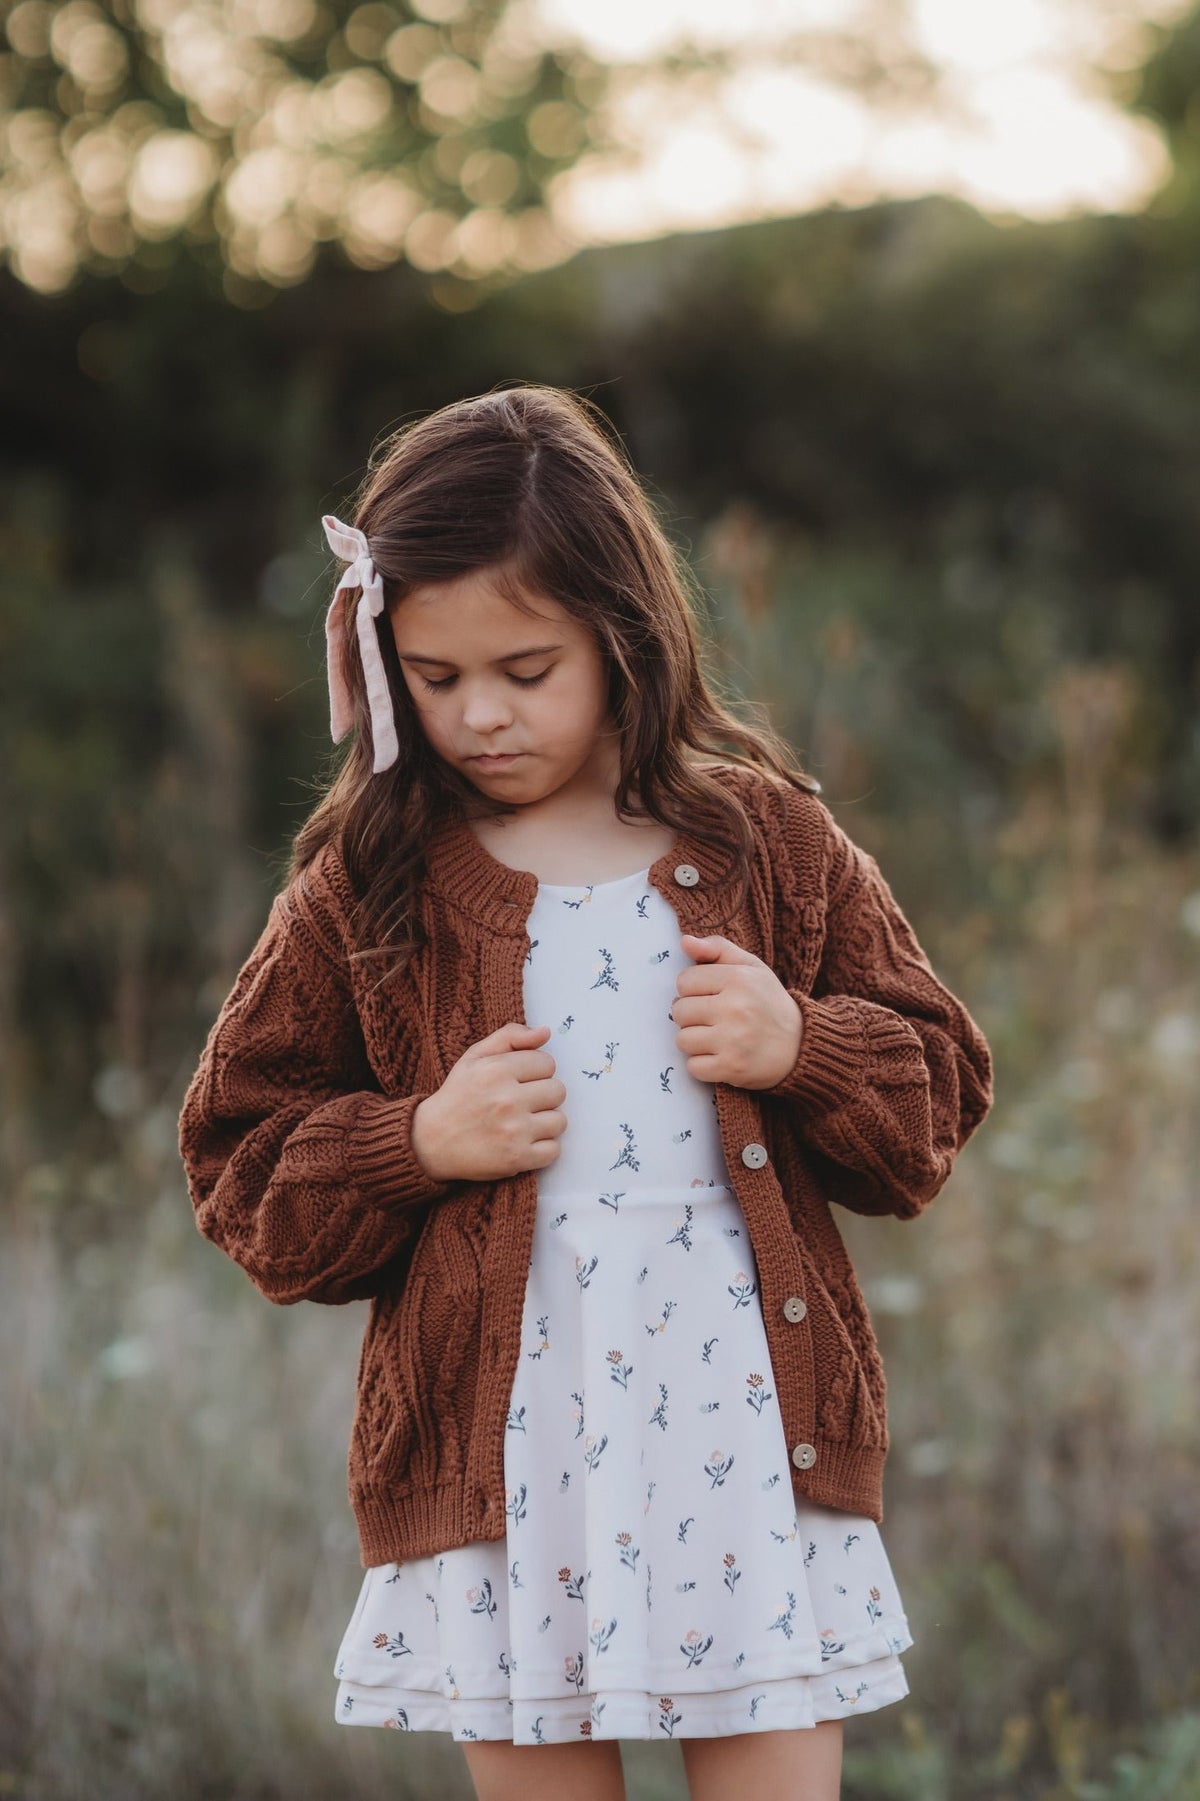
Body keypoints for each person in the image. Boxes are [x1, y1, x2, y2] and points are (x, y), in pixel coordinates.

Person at [177, 383, 993, 1801]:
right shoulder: (370, 884)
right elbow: (239, 1163)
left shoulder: (768, 839)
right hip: (511, 1464)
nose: (480, 713)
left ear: (625, 636)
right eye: (434, 677)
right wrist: (414, 1140)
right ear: (380, 656)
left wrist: (802, 1042)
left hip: (748, 1443)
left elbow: (940, 1094)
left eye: (525, 667)